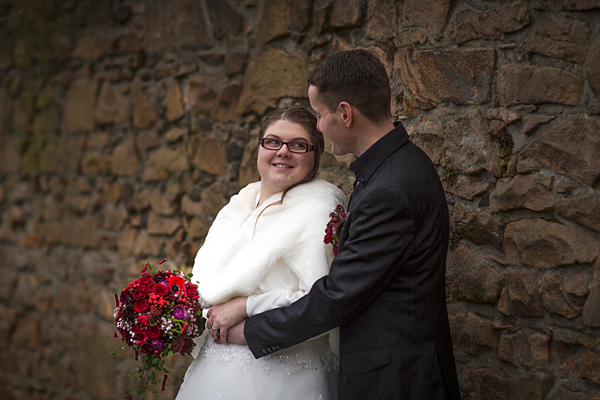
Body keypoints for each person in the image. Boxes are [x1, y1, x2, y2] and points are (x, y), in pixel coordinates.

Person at [210, 50, 461, 399]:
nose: (318, 126)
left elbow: (340, 294)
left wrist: (251, 330)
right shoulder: (393, 168)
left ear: (345, 113)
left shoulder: (389, 187)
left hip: (396, 381)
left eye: (319, 114)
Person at [175, 105, 345, 400]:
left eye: (298, 145)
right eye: (273, 141)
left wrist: (246, 306)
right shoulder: (237, 206)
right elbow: (206, 284)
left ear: (315, 155)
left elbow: (322, 300)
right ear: (259, 149)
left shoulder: (319, 210)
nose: (283, 152)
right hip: (215, 370)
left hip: (286, 373)